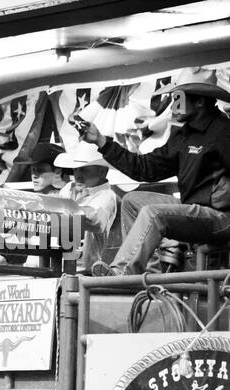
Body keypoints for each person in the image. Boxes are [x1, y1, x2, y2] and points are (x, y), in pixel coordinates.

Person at [81, 68, 230, 278]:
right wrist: (102, 142)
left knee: (154, 213)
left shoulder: (224, 131)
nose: (172, 105)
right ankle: (146, 273)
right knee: (132, 200)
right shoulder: (183, 136)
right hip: (195, 210)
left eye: (179, 99)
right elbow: (145, 168)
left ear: (200, 102)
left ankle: (122, 273)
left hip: (221, 218)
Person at [53, 142, 119, 274]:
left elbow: (95, 220)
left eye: (84, 169)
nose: (78, 174)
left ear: (102, 171)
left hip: (84, 271)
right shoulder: (68, 188)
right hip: (58, 263)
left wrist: (62, 209)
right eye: (76, 169)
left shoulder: (107, 196)